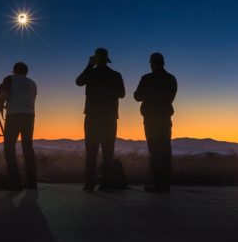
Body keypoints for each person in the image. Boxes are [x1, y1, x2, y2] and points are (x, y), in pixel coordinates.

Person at [75, 48, 125, 191]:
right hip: (109, 117)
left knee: (91, 152)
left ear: (95, 59)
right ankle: (106, 183)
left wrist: (89, 65)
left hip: (92, 117)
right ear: (107, 60)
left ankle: (90, 183)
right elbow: (122, 94)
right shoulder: (116, 75)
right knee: (108, 152)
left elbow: (78, 82)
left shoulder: (90, 74)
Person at [134, 53, 177, 193]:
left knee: (154, 150)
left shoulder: (147, 78)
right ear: (163, 63)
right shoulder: (171, 79)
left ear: (151, 63)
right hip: (165, 117)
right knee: (165, 149)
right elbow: (171, 96)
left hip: (151, 118)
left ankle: (156, 183)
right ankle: (166, 184)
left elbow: (137, 96)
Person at [0, 62, 38, 190]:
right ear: (26, 71)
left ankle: (15, 182)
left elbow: (3, 94)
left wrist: (0, 106)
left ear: (14, 70)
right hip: (29, 116)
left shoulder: (9, 79)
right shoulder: (32, 83)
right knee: (28, 148)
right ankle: (32, 182)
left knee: (9, 147)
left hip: (13, 115)